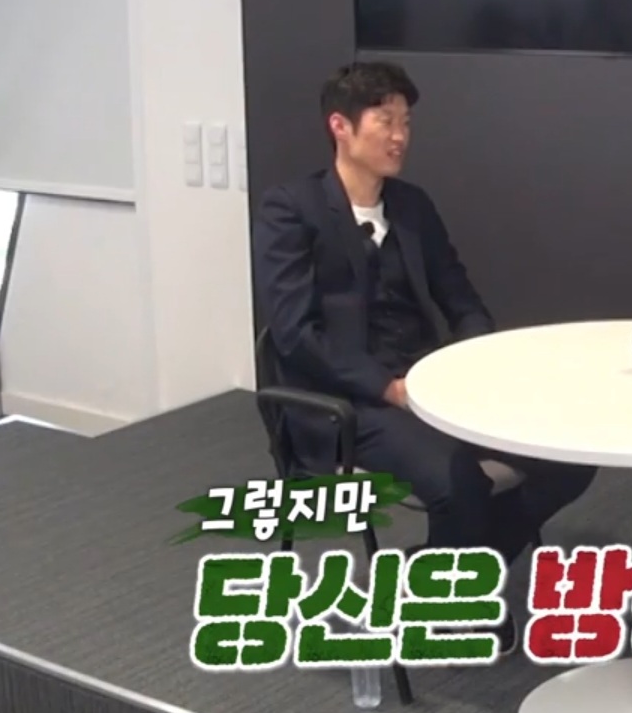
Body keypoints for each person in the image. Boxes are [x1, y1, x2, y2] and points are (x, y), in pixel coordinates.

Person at [251, 62, 596, 577]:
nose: (399, 136)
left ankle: (449, 568)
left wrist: (477, 362)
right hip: (346, 404)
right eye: (385, 121)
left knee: (569, 458)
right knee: (459, 482)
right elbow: (296, 334)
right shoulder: (292, 210)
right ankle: (456, 580)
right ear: (340, 126)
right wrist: (385, 387)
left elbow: (462, 300)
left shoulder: (412, 207)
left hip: (428, 386)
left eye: (406, 123)